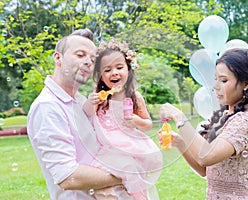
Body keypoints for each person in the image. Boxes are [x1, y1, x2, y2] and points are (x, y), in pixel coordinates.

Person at [27, 29, 123, 200]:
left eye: (93, 59)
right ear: (58, 58)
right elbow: (67, 175)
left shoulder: (80, 100)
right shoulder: (48, 107)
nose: (88, 62)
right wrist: (126, 175)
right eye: (80, 55)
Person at [159, 48, 248, 199]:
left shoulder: (246, 122)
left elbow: (206, 156)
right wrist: (180, 143)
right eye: (216, 79)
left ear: (246, 83)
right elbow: (204, 169)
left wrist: (179, 117)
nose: (216, 86)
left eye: (223, 80)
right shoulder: (224, 117)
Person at [82, 38, 162, 199]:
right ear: (101, 76)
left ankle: (139, 197)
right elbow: (86, 115)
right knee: (114, 186)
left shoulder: (134, 97)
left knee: (131, 172)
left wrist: (136, 121)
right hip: (107, 148)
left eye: (119, 67)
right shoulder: (100, 98)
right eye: (107, 70)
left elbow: (147, 125)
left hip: (130, 148)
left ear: (128, 70)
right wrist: (90, 103)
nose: (114, 73)